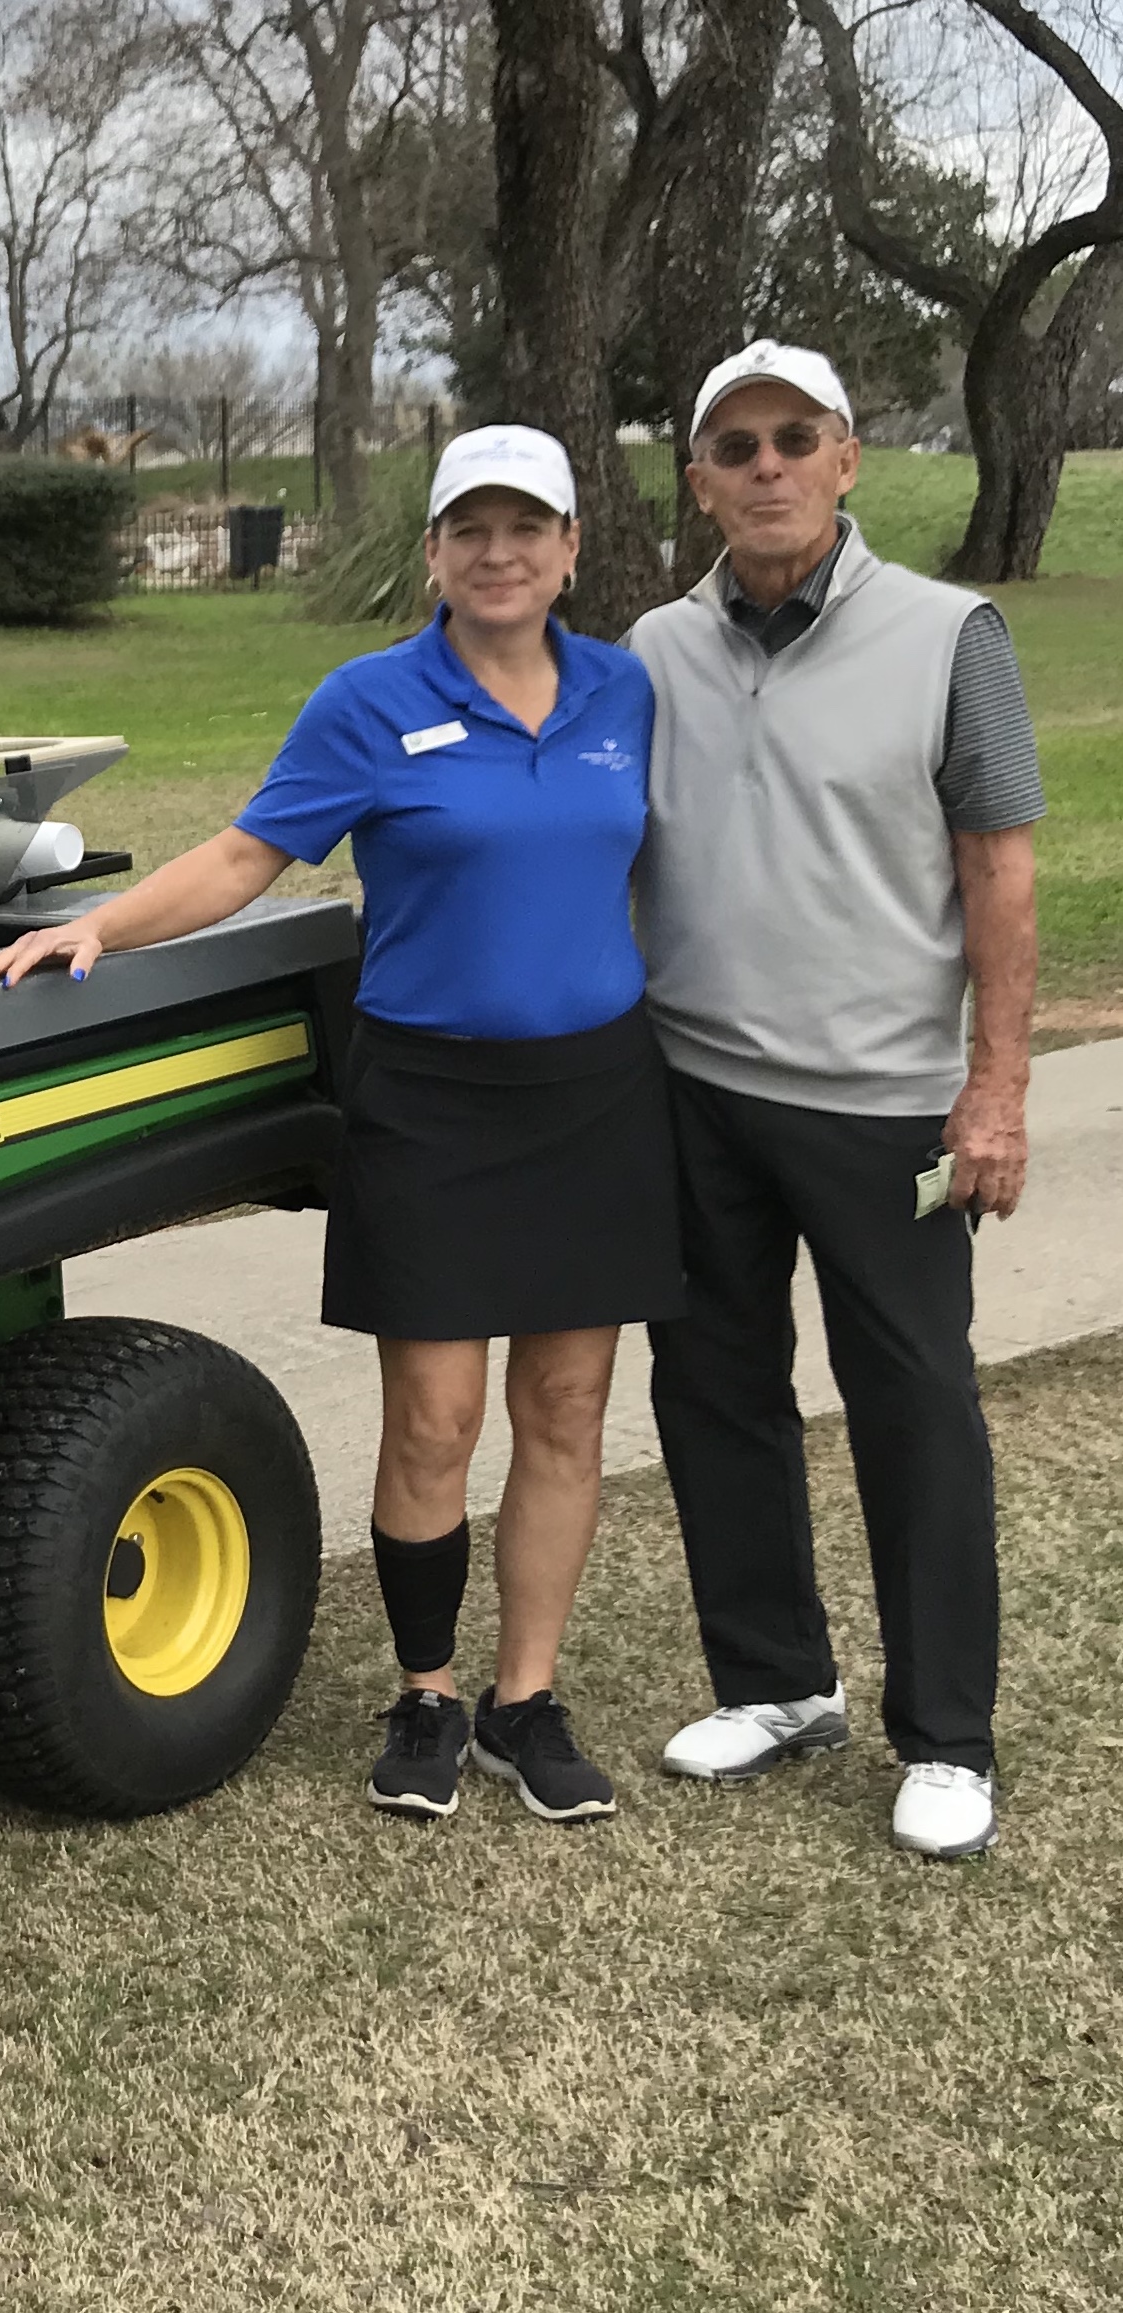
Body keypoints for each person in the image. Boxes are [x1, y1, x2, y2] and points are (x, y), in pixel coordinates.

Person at [0, 425, 673, 1826]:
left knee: (564, 1407)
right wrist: (100, 927)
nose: (497, 554)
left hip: (594, 1094)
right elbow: (248, 852)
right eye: (469, 530)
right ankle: (426, 1692)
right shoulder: (369, 701)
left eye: (524, 529)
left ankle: (524, 1701)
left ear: (569, 549)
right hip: (429, 1099)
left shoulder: (625, 691)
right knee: (435, 1418)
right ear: (433, 553)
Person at [626, 340, 1041, 1860]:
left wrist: (996, 1089)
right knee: (712, 1390)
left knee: (914, 1402)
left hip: (890, 1110)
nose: (767, 468)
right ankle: (776, 1681)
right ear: (699, 483)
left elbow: (999, 870)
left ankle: (946, 1737)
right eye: (735, 447)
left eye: (795, 439)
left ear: (848, 458)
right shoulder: (654, 648)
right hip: (695, 1090)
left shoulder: (949, 634)